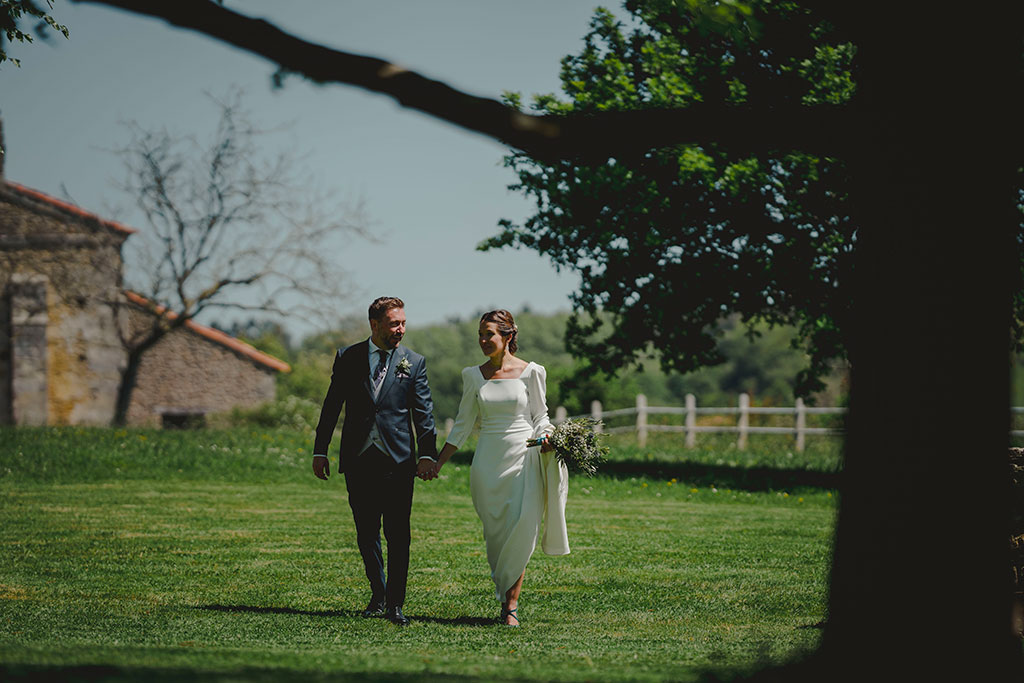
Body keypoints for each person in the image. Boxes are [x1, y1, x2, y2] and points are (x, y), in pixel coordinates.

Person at [419, 309, 569, 626]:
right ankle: (504, 592)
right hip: (487, 463)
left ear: (508, 336)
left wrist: (545, 435)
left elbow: (541, 416)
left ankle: (510, 607)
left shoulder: (532, 372)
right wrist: (438, 461)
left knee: (522, 528)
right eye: (481, 334)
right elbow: (462, 425)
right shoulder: (473, 375)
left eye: (490, 334)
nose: (484, 340)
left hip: (523, 459)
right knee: (496, 535)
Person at [312, 296, 438, 627]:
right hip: (358, 459)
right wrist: (320, 449)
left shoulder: (414, 361)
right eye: (395, 323)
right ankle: (378, 593)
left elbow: (424, 414)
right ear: (375, 324)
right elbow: (331, 406)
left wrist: (427, 454)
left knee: (398, 534)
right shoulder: (348, 357)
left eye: (404, 323)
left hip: (398, 461)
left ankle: (395, 604)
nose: (401, 329)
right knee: (366, 533)